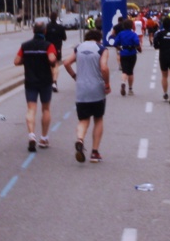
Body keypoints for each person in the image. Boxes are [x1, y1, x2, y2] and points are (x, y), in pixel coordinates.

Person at [64, 29, 110, 163]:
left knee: (83, 120)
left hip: (81, 89)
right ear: (99, 39)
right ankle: (94, 153)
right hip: (96, 89)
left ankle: (80, 139)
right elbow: (104, 68)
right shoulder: (102, 49)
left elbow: (66, 63)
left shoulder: (78, 48)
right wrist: (107, 84)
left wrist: (74, 76)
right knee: (98, 118)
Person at [14, 25, 57, 151]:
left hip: (30, 81)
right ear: (45, 31)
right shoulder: (48, 46)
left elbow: (16, 61)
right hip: (45, 81)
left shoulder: (25, 46)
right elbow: (52, 59)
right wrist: (51, 61)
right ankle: (43, 138)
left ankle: (32, 135)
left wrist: (25, 60)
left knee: (31, 109)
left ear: (33, 31)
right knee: (46, 109)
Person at [113, 17, 142, 96]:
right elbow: (137, 43)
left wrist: (121, 48)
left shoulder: (120, 34)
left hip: (123, 54)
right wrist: (139, 49)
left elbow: (115, 44)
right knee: (130, 71)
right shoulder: (133, 34)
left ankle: (123, 83)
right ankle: (130, 89)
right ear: (131, 26)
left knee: (124, 71)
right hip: (132, 53)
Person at [45, 11, 68, 92]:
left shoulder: (46, 27)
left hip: (47, 48)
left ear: (49, 18)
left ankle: (51, 81)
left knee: (49, 66)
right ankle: (54, 82)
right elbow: (65, 38)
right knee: (55, 65)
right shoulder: (60, 28)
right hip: (57, 48)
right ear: (56, 17)